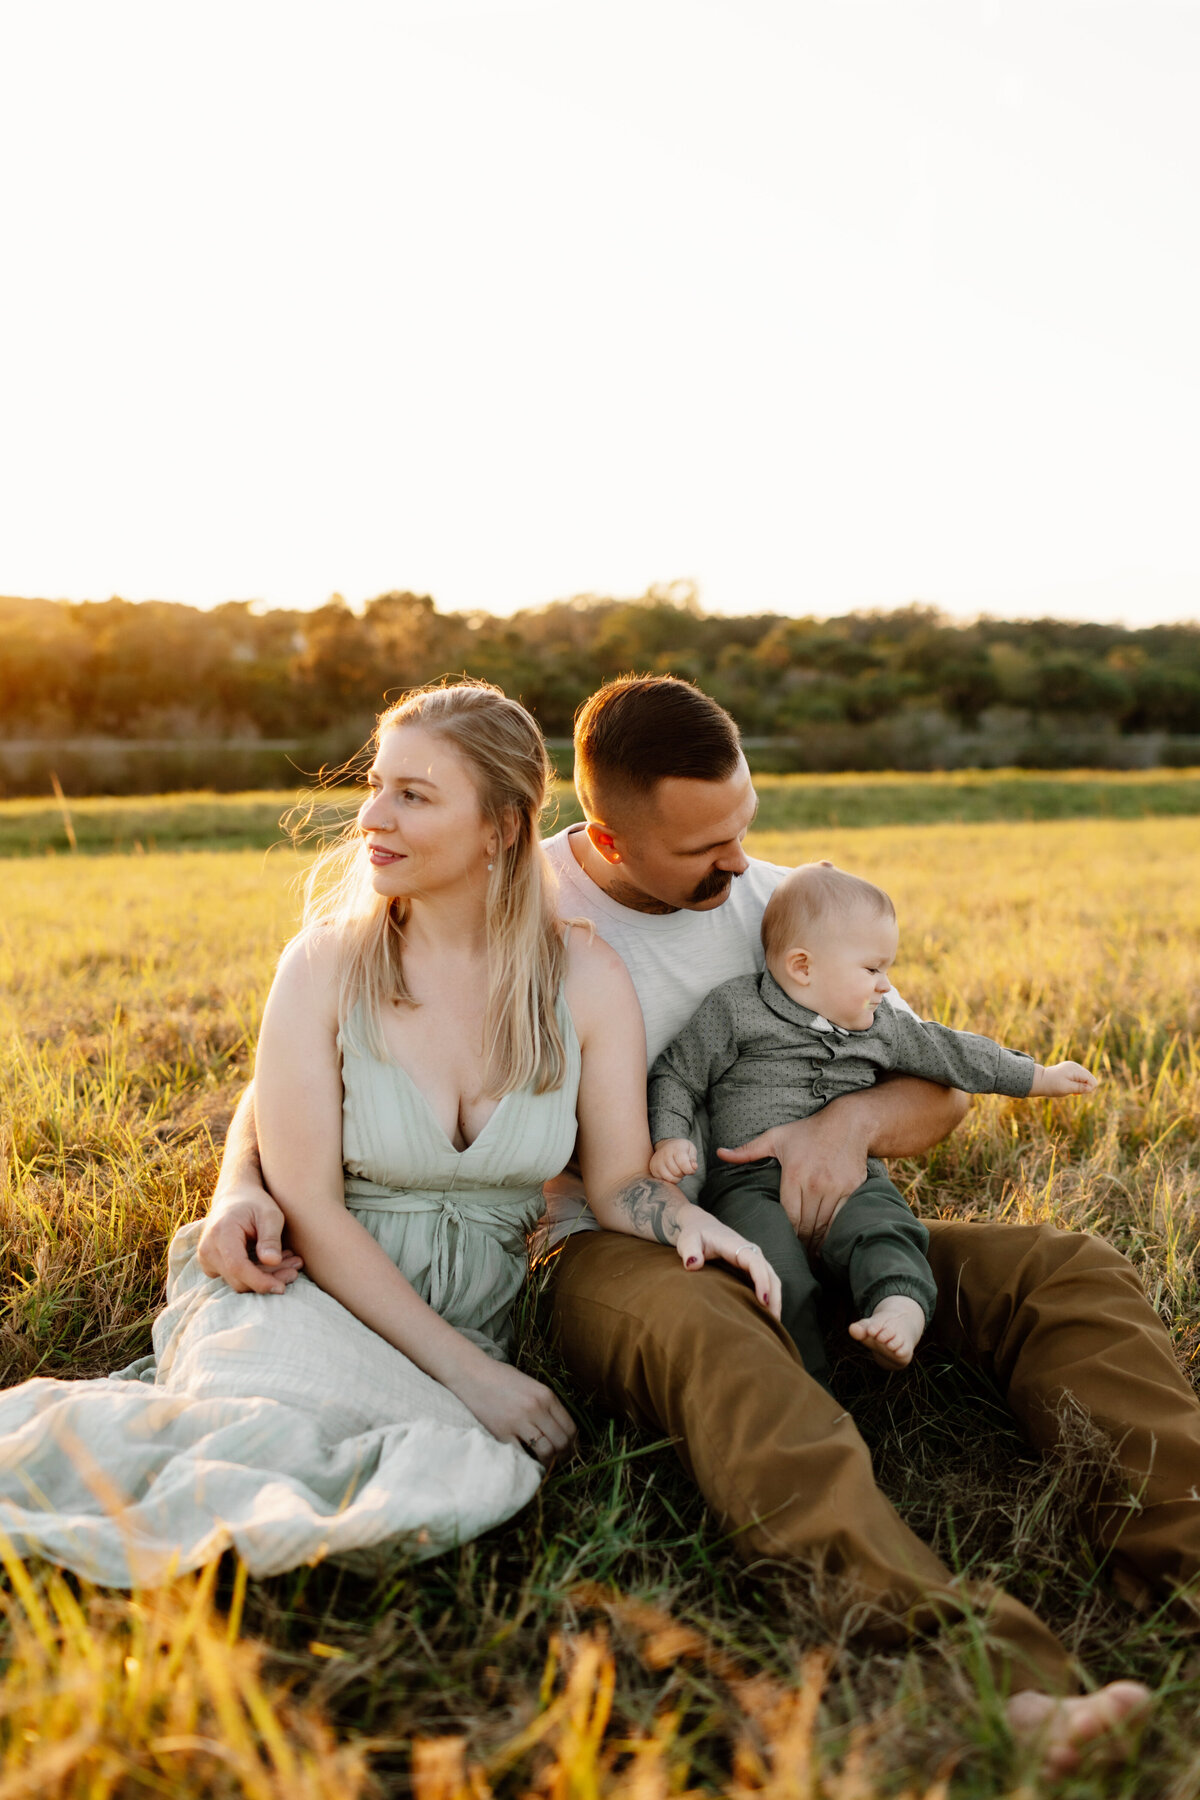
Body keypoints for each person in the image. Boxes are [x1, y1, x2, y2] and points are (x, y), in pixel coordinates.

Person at [200, 677, 1177, 1773]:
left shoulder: (777, 906)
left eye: (743, 827)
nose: (738, 866)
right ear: (605, 836)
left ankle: (1182, 1553)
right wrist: (243, 1180)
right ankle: (967, 1664)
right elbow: (322, 1068)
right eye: (703, 848)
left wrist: (844, 1127)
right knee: (716, 1338)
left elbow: (936, 1087)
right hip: (616, 1243)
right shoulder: (514, 901)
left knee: (1064, 1270)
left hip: (818, 1223)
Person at [0, 680, 781, 1587]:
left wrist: (688, 1221)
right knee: (269, 1442)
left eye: (414, 794)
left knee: (437, 1474)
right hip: (306, 1286)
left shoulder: (584, 977)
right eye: (377, 784)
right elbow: (311, 1208)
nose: (373, 814)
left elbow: (615, 1186)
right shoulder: (326, 965)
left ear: (499, 826)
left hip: (469, 1315)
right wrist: (471, 1377)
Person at [647, 861, 1100, 1383]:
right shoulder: (734, 1010)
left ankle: (899, 1305)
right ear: (802, 966)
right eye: (873, 969)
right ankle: (803, 1379)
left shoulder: (880, 1025)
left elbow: (951, 1052)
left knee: (885, 1228)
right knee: (769, 1272)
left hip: (853, 1180)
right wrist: (672, 1135)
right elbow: (678, 1072)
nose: (886, 986)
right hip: (747, 1184)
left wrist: (1039, 1076)